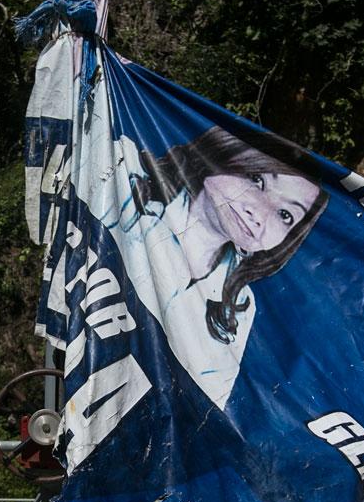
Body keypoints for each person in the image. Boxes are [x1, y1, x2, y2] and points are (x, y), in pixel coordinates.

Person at [129, 126, 329, 345]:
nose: (260, 213)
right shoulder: (127, 179)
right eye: (256, 179)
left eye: (285, 214)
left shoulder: (237, 307)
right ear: (222, 154)